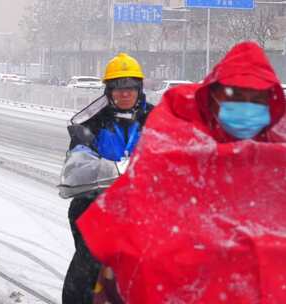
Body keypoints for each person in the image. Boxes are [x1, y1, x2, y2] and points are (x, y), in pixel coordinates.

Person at [77, 41, 286, 303]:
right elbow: (147, 192)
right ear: (213, 97)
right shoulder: (174, 134)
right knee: (88, 270)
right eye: (235, 96)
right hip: (183, 280)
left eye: (257, 100)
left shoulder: (276, 155)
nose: (125, 94)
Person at [59, 53, 153, 304]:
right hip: (97, 203)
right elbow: (78, 158)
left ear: (139, 89)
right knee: (88, 263)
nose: (125, 94)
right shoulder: (91, 123)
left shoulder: (156, 120)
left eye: (130, 88)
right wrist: (107, 169)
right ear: (109, 91)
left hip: (146, 206)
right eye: (118, 88)